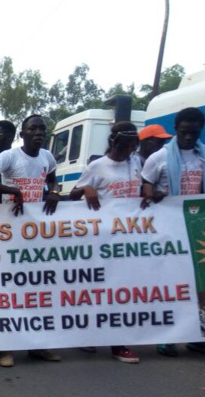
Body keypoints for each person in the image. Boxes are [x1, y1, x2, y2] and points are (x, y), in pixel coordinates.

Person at [0, 114, 61, 367]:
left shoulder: (48, 157)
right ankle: (5, 348)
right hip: (9, 234)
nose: (38, 133)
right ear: (22, 135)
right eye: (32, 129)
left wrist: (54, 191)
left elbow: (52, 178)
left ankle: (38, 346)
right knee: (8, 291)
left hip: (36, 234)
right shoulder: (8, 157)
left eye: (42, 129)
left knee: (36, 291)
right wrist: (12, 191)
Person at [69, 122, 143, 364]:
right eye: (124, 147)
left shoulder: (136, 163)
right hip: (102, 240)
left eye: (132, 147)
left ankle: (115, 341)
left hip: (130, 239)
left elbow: (142, 187)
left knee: (122, 290)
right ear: (113, 143)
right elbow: (73, 195)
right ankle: (99, 337)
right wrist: (87, 188)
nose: (127, 152)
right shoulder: (97, 166)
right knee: (101, 289)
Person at [141, 107, 205, 357]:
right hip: (167, 227)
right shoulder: (160, 157)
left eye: (194, 132)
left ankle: (196, 335)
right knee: (170, 284)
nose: (188, 137)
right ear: (176, 129)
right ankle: (167, 337)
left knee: (198, 284)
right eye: (184, 131)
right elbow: (146, 186)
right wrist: (153, 195)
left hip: (197, 227)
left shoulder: (203, 156)